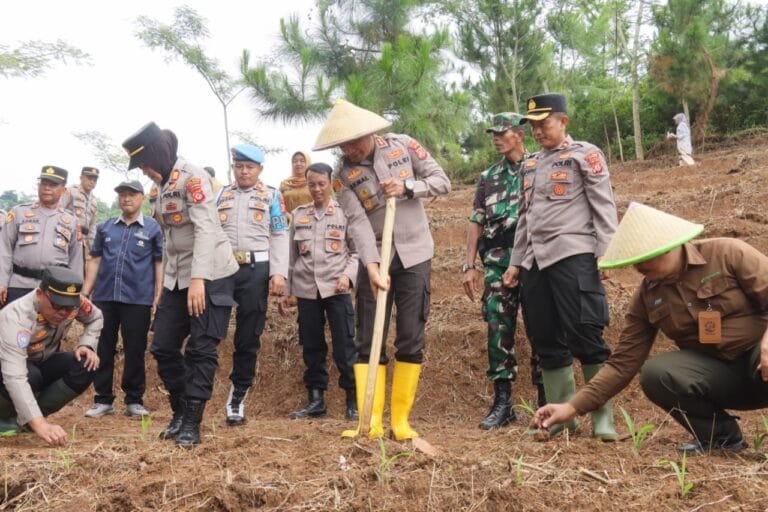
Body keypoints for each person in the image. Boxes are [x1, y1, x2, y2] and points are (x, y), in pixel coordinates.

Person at [534, 203, 768, 454]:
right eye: (635, 262)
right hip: (722, 376)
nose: (639, 268)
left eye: (644, 258)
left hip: (759, 359)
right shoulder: (647, 297)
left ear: (668, 245)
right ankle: (721, 439)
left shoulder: (727, 254)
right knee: (658, 373)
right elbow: (621, 364)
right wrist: (570, 408)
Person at [313, 99, 451, 440]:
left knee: (410, 335)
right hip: (375, 256)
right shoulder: (343, 178)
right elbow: (357, 224)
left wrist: (407, 189)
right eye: (343, 145)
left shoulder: (404, 145)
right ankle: (370, 420)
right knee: (367, 336)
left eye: (355, 141)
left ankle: (400, 422)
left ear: (370, 133)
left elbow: (441, 181)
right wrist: (371, 268)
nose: (350, 149)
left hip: (415, 253)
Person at [502, 93, 618, 441]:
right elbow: (525, 218)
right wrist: (515, 263)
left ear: (563, 121)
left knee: (586, 335)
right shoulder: (531, 164)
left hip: (574, 255)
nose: (538, 132)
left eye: (544, 124)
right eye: (533, 127)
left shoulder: (586, 155)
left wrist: (608, 253)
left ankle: (603, 419)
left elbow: (604, 206)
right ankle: (562, 419)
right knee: (546, 340)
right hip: (536, 263)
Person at [122, 121, 238, 447]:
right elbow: (169, 239)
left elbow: (206, 230)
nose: (144, 172)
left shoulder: (193, 177)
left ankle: (192, 422)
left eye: (144, 164)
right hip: (177, 279)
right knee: (162, 346)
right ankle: (180, 410)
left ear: (157, 155)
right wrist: (166, 286)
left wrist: (199, 279)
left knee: (201, 348)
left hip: (211, 274)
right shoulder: (160, 187)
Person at [280, 162, 384, 421]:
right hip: (307, 290)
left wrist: (347, 277)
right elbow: (292, 258)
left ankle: (353, 400)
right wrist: (288, 290)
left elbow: (358, 251)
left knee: (345, 345)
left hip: (336, 289)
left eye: (321, 184)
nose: (316, 189)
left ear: (330, 184)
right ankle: (316, 400)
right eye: (312, 184)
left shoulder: (344, 213)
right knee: (312, 346)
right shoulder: (300, 215)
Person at [463, 112, 545, 430]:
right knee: (498, 330)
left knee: (541, 329)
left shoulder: (540, 166)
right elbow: (477, 221)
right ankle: (503, 404)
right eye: (493, 133)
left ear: (519, 135)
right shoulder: (488, 177)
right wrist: (469, 265)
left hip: (535, 262)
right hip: (497, 263)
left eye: (503, 132)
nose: (496, 137)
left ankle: (544, 402)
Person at [216, 144, 288, 425]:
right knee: (212, 330)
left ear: (260, 170)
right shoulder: (221, 194)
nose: (244, 171)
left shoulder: (271, 195)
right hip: (222, 269)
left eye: (250, 167)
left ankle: (237, 398)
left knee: (248, 336)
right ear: (233, 168)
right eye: (239, 166)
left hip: (256, 270)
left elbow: (280, 234)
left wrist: (278, 273)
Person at [81, 180, 163, 418]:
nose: (126, 199)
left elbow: (158, 262)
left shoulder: (152, 228)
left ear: (142, 198)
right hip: (105, 297)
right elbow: (94, 260)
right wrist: (85, 293)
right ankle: (103, 399)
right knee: (103, 347)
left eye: (131, 195)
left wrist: (158, 294)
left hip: (138, 298)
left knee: (135, 349)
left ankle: (134, 400)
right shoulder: (106, 227)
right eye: (122, 195)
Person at [0, 266, 102, 446]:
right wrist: (41, 425)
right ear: (40, 294)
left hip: (41, 361)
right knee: (31, 376)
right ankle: (6, 417)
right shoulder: (16, 317)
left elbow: (96, 317)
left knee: (85, 363)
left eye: (69, 307)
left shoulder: (74, 304)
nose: (63, 313)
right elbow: (14, 376)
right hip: (9, 369)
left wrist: (87, 344)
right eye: (57, 305)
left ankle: (29, 420)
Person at [0, 166, 82, 307]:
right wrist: (1, 282)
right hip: (19, 285)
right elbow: (4, 249)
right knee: (12, 326)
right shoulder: (19, 213)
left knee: (47, 328)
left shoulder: (72, 221)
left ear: (64, 189)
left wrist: (74, 292)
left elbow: (76, 260)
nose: (46, 188)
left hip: (54, 288)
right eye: (43, 183)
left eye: (53, 185)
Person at [60, 166, 100, 271]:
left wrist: (92, 248)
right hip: (68, 236)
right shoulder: (70, 191)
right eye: (89, 178)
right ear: (81, 177)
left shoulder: (94, 200)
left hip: (84, 240)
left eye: (94, 180)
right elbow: (59, 211)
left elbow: (92, 226)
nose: (92, 182)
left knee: (81, 270)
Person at [279, 151, 313, 220]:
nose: (298, 164)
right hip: (288, 223)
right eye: (295, 161)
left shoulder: (313, 182)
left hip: (310, 222)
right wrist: (286, 214)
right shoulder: (284, 184)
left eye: (302, 161)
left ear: (308, 163)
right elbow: (278, 204)